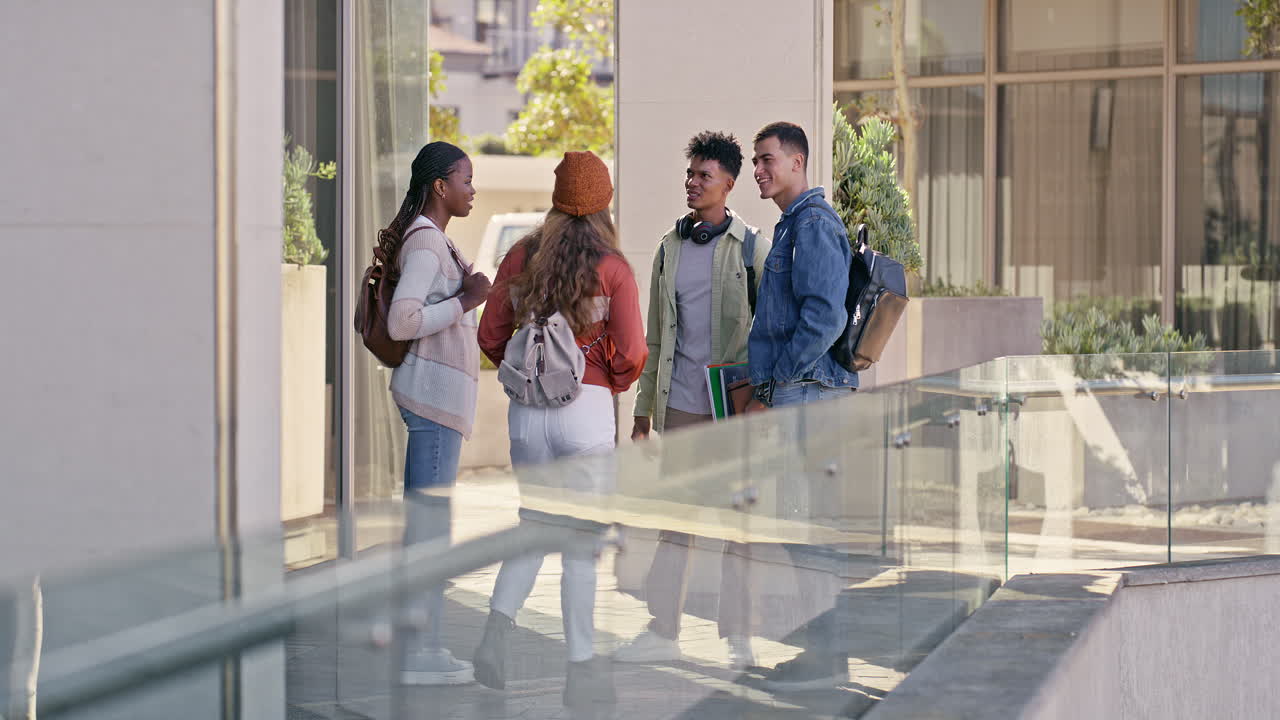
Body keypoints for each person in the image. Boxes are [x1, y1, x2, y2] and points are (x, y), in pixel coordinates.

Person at [474, 151, 648, 702]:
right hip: (587, 410)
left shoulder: (521, 258)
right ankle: (579, 676)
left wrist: (531, 367)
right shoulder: (613, 267)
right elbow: (635, 351)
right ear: (604, 202)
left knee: (532, 528)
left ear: (555, 199)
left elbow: (488, 337)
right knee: (579, 547)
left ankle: (494, 636)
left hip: (528, 415)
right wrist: (609, 378)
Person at [616, 130, 769, 669]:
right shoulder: (669, 247)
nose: (693, 183)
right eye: (690, 174)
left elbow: (768, 331)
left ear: (729, 184)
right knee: (676, 518)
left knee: (738, 523)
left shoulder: (751, 247)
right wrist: (642, 409)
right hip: (679, 401)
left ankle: (739, 637)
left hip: (731, 407)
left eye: (704, 176)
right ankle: (663, 630)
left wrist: (763, 400)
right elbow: (657, 334)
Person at [746, 121, 857, 692]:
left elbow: (826, 315)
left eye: (767, 159)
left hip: (810, 392)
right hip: (802, 391)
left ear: (797, 161)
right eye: (756, 160)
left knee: (810, 528)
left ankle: (827, 661)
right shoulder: (793, 225)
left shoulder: (813, 224)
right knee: (800, 526)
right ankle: (820, 654)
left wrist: (785, 374)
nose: (758, 170)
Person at [382, 141, 492, 686]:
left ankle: (419, 649)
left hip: (437, 409)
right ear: (440, 186)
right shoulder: (427, 243)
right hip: (431, 406)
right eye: (466, 179)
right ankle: (420, 655)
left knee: (427, 532)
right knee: (428, 536)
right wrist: (466, 301)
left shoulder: (434, 240)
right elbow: (403, 321)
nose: (473, 189)